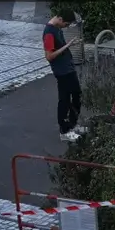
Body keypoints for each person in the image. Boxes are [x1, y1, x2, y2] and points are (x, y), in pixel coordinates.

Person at [43, 12, 82, 141]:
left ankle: (72, 124)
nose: (66, 26)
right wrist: (67, 46)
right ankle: (64, 130)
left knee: (76, 94)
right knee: (65, 99)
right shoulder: (49, 32)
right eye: (66, 24)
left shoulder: (57, 28)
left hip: (68, 68)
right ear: (60, 18)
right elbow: (49, 56)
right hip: (62, 71)